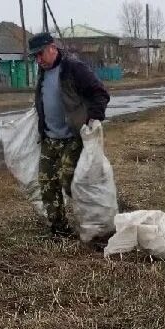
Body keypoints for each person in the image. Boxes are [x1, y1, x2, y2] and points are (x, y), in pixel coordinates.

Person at [29, 32, 110, 238]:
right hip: (50, 138)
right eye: (35, 57)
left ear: (52, 49)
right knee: (47, 182)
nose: (38, 60)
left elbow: (100, 93)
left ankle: (97, 219)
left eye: (40, 54)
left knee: (69, 179)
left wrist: (93, 120)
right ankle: (59, 229)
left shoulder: (73, 68)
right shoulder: (42, 72)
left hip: (73, 136)